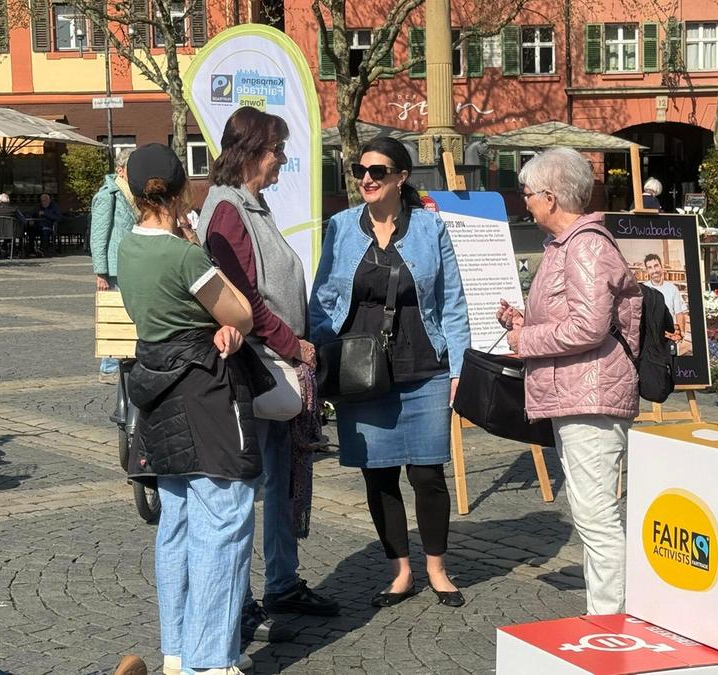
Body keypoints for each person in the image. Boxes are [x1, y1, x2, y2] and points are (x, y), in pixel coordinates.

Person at [310, 136, 471, 609]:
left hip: (424, 365)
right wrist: (320, 358)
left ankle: (437, 568)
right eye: (361, 170)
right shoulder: (341, 226)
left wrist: (459, 367)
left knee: (427, 473)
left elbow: (452, 301)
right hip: (359, 371)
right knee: (378, 476)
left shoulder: (430, 227)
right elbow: (322, 298)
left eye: (377, 171)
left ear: (401, 177)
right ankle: (400, 571)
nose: (367, 179)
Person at [198, 107, 338, 648]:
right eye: (276, 149)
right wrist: (293, 344)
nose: (281, 159)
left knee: (281, 478)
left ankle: (281, 582)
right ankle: (239, 604)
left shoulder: (250, 205)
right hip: (254, 367)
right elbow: (244, 299)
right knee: (245, 492)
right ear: (253, 152)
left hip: (270, 365)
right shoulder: (229, 211)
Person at [117, 143, 258, 675]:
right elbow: (240, 314)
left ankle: (177, 651)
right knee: (224, 521)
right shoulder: (185, 256)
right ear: (180, 191)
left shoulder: (127, 248)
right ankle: (211, 660)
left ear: (133, 193)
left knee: (176, 520)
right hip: (204, 392)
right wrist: (198, 248)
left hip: (157, 390)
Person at [496, 147, 642, 614]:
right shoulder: (569, 245)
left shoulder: (584, 246)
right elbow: (575, 318)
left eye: (527, 193)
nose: (524, 202)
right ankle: (609, 612)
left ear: (551, 196)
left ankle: (609, 619)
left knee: (596, 516)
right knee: (593, 512)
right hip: (581, 391)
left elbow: (588, 328)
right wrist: (523, 321)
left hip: (590, 395)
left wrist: (525, 339)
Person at [91, 147, 139, 382]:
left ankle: (125, 358)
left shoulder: (134, 193)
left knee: (128, 313)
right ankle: (109, 367)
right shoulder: (108, 195)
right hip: (114, 266)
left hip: (131, 262)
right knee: (114, 314)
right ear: (120, 170)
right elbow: (98, 234)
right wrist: (100, 272)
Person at [642, 253, 691, 356]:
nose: (654, 270)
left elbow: (679, 313)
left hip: (669, 337)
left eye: (656, 266)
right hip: (651, 339)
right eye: (650, 268)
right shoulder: (643, 290)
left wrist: (681, 332)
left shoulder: (672, 289)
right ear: (647, 271)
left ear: (661, 267)